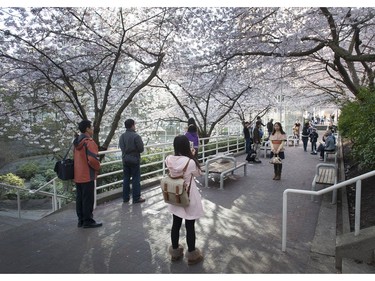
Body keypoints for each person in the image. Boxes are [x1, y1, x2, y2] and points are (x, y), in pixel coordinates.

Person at [165, 135, 204, 265]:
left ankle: (175, 254)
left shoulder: (169, 159)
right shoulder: (190, 162)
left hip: (175, 196)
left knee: (175, 224)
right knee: (190, 226)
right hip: (188, 197)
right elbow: (199, 173)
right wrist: (192, 156)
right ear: (187, 146)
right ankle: (192, 256)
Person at [73, 120, 102, 228]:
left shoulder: (76, 142)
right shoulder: (89, 142)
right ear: (87, 129)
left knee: (80, 198)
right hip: (87, 175)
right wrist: (98, 167)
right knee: (88, 199)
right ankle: (88, 221)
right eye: (91, 127)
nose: (92, 129)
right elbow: (93, 160)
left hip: (78, 175)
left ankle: (81, 220)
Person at [119, 119, 145, 204]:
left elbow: (122, 148)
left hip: (125, 159)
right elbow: (141, 149)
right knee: (135, 179)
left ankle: (125, 198)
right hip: (134, 160)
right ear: (132, 125)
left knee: (126, 178)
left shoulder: (122, 136)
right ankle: (136, 198)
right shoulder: (136, 136)